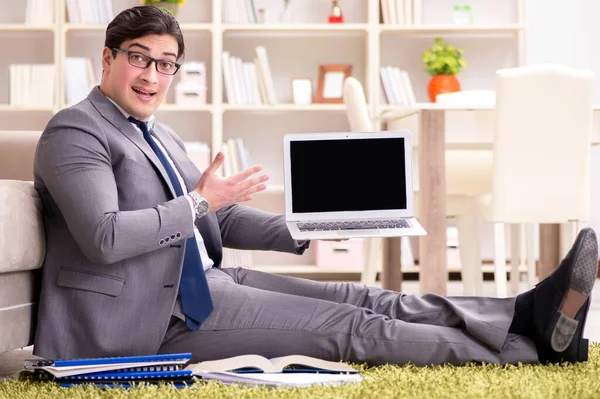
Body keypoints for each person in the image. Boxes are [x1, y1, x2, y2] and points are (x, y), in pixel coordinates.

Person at [32, 5, 598, 367]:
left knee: (370, 297)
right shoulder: (76, 129)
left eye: (166, 64)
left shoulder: (157, 134)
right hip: (146, 321)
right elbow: (105, 236)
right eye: (139, 59)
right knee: (350, 327)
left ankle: (526, 312)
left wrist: (310, 228)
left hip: (200, 282)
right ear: (106, 59)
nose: (153, 76)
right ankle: (530, 350)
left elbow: (214, 221)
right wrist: (203, 199)